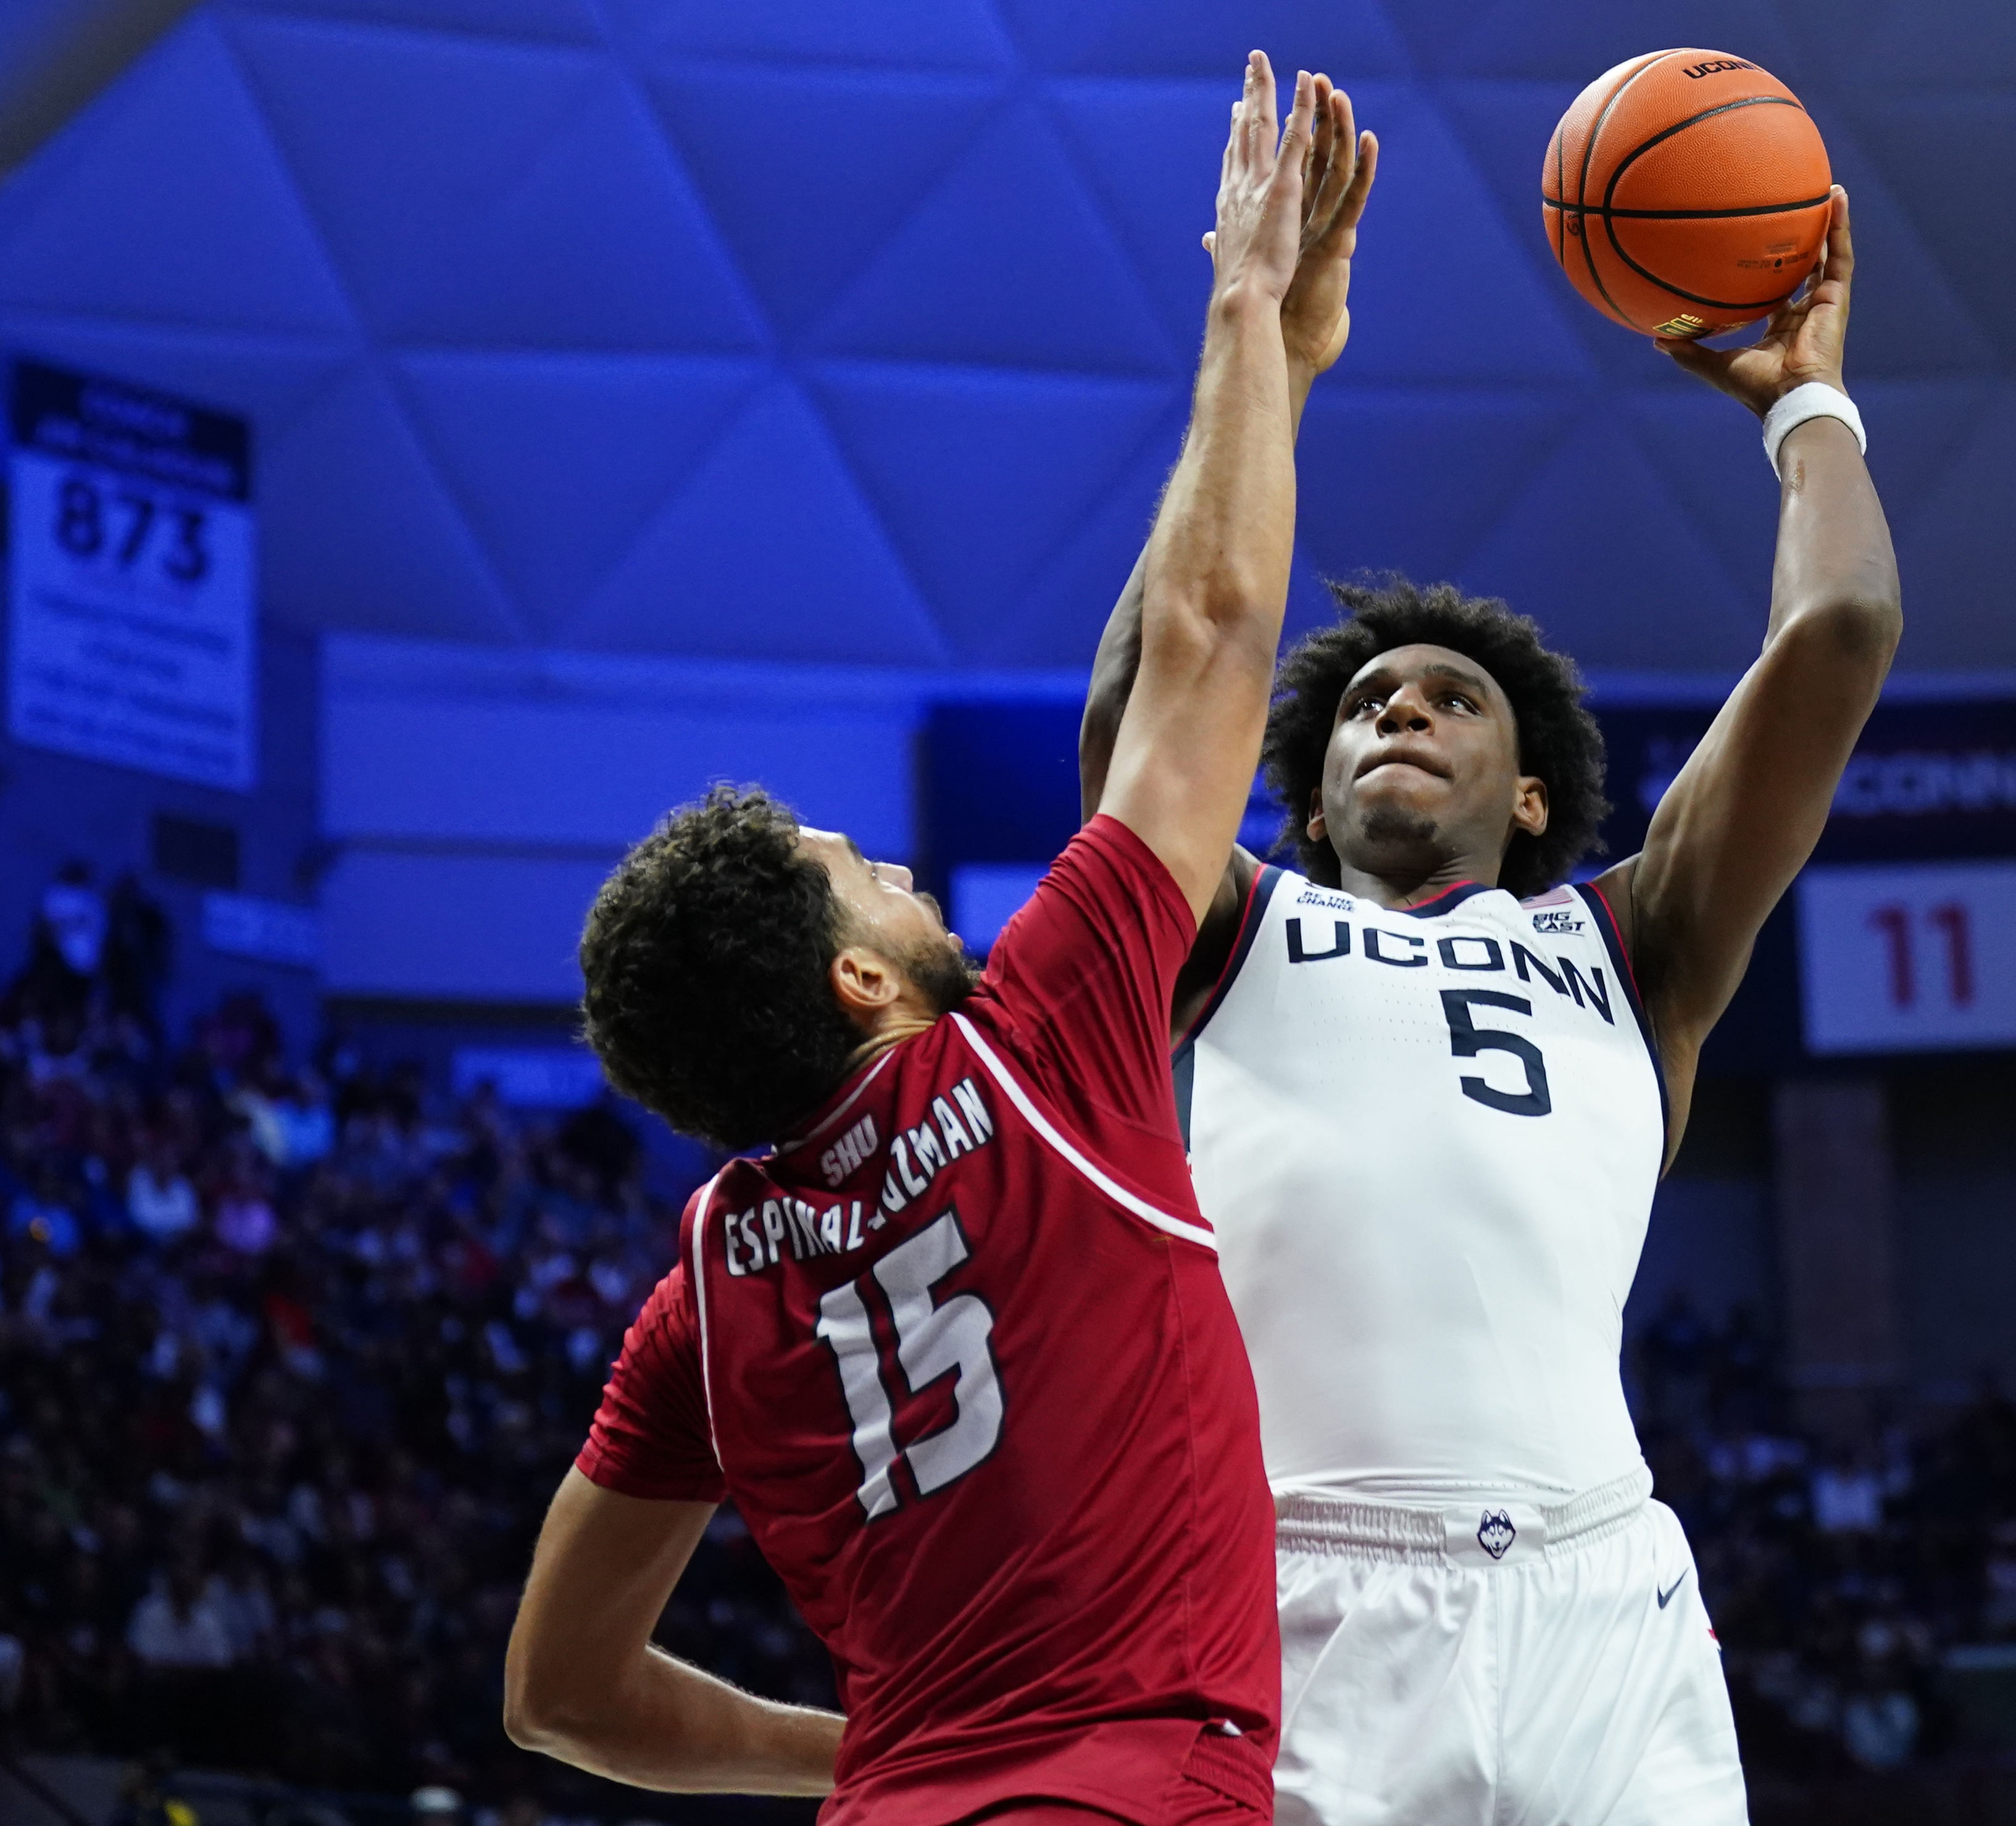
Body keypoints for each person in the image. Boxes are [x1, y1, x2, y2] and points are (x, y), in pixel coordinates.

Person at [502, 56, 1367, 1826]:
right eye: (871, 874)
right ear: (862, 981)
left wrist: (892, 1759)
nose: (907, 875)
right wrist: (1248, 312)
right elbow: (1205, 636)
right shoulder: (1034, 1045)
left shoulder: (706, 1293)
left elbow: (556, 1697)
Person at [1078, 185, 1898, 1825]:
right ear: (1305, 795)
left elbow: (1842, 628)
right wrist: (1274, 364)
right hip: (1294, 1595)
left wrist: (1806, 407)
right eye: (1369, 701)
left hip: (1601, 1591)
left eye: (1453, 702)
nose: (1402, 710)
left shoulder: (1633, 943)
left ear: (1530, 800)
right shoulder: (1236, 927)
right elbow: (1145, 702)